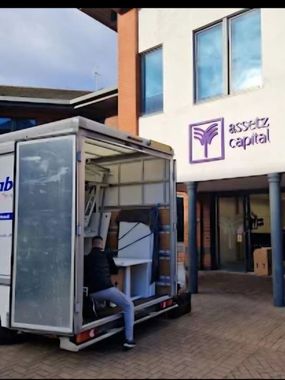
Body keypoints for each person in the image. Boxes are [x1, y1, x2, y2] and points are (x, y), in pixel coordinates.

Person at [84, 235, 136, 350]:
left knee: (108, 295)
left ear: (92, 244)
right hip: (107, 290)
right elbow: (114, 271)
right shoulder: (106, 255)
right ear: (101, 245)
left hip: (91, 293)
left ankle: (98, 304)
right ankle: (129, 340)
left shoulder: (86, 258)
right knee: (128, 305)